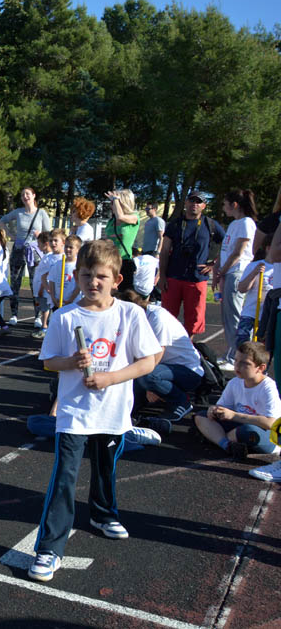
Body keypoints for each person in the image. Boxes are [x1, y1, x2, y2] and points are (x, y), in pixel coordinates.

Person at [29, 239, 161, 583]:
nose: (93, 282)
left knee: (105, 469)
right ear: (76, 275)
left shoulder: (130, 314)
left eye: (101, 276)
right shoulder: (64, 316)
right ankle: (49, 548)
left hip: (113, 411)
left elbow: (148, 361)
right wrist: (72, 362)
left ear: (116, 280)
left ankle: (103, 513)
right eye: (86, 275)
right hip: (74, 413)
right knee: (64, 479)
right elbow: (48, 362)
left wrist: (111, 377)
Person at [120, 289, 204, 428]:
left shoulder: (157, 318)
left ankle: (182, 401)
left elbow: (156, 356)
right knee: (132, 403)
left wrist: (148, 387)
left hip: (188, 372)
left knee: (146, 376)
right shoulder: (140, 317)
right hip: (164, 369)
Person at [195, 342, 281, 460]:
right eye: (235, 361)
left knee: (248, 431)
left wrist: (233, 415)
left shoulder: (268, 387)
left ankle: (217, 438)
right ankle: (227, 445)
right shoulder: (234, 382)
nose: (237, 366)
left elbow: (270, 423)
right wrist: (214, 410)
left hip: (265, 434)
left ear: (260, 368)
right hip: (238, 426)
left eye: (244, 363)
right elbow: (222, 407)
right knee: (201, 416)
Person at [159, 190, 225, 337]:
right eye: (192, 201)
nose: (194, 204)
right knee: (166, 318)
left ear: (204, 206)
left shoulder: (210, 225)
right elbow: (164, 251)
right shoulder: (175, 224)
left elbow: (228, 244)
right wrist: (162, 276)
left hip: (197, 278)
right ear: (186, 203)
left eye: (198, 201)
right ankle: (167, 350)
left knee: (194, 320)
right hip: (173, 277)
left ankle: (189, 347)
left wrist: (214, 264)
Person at [213, 189, 257, 369]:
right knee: (227, 317)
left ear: (235, 205)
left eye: (225, 204)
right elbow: (226, 251)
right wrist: (218, 269)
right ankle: (232, 353)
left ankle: (240, 357)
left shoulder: (246, 223)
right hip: (228, 272)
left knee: (235, 316)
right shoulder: (234, 224)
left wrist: (221, 271)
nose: (223, 208)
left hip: (237, 272)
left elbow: (238, 253)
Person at [0, 187, 52, 323]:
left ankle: (38, 316)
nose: (25, 196)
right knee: (15, 282)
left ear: (34, 196)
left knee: (36, 283)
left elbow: (49, 234)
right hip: (18, 249)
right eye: (22, 194)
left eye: (27, 194)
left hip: (35, 252)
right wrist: (11, 234)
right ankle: (14, 314)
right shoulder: (18, 212)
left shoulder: (41, 213)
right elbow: (2, 221)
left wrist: (40, 236)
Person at [103, 189, 140, 290]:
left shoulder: (134, 217)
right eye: (111, 203)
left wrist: (115, 199)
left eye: (114, 202)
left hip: (124, 262)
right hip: (109, 261)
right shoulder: (112, 221)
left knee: (124, 295)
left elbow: (120, 217)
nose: (112, 205)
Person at [234, 253, 272, 350]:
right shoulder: (255, 265)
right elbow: (242, 288)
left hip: (269, 317)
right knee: (242, 346)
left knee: (263, 350)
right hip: (251, 314)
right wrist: (254, 273)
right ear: (268, 248)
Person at [46, 235, 82, 308]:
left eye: (71, 247)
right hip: (57, 302)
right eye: (66, 246)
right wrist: (53, 298)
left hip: (73, 303)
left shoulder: (79, 266)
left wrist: (70, 300)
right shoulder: (57, 264)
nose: (68, 249)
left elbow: (79, 286)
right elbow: (51, 282)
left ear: (78, 249)